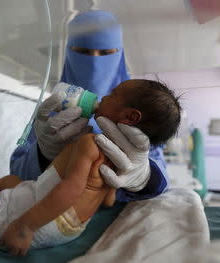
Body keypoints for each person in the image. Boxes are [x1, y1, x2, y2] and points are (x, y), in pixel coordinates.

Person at [0, 79, 182, 256]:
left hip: (48, 220)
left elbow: (71, 189)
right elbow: (108, 201)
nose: (103, 97)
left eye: (113, 94)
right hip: (73, 228)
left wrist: (25, 226)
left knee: (4, 183)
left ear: (130, 117)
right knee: (20, 184)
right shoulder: (118, 160)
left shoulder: (90, 142)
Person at [10, 10, 170, 202]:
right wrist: (43, 155)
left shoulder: (139, 106)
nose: (94, 63)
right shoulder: (51, 109)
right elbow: (16, 175)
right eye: (83, 52)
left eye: (106, 53)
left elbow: (162, 179)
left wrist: (143, 177)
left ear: (118, 54)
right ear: (69, 52)